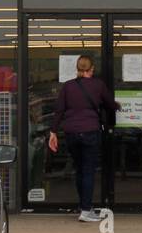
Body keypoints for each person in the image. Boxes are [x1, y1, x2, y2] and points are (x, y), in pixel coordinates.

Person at [48, 54, 120, 222]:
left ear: (78, 69)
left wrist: (53, 132)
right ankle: (86, 210)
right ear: (91, 69)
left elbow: (59, 111)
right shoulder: (98, 85)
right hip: (90, 131)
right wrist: (118, 106)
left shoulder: (67, 87)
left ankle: (83, 206)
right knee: (88, 170)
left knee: (80, 170)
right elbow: (110, 104)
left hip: (71, 133)